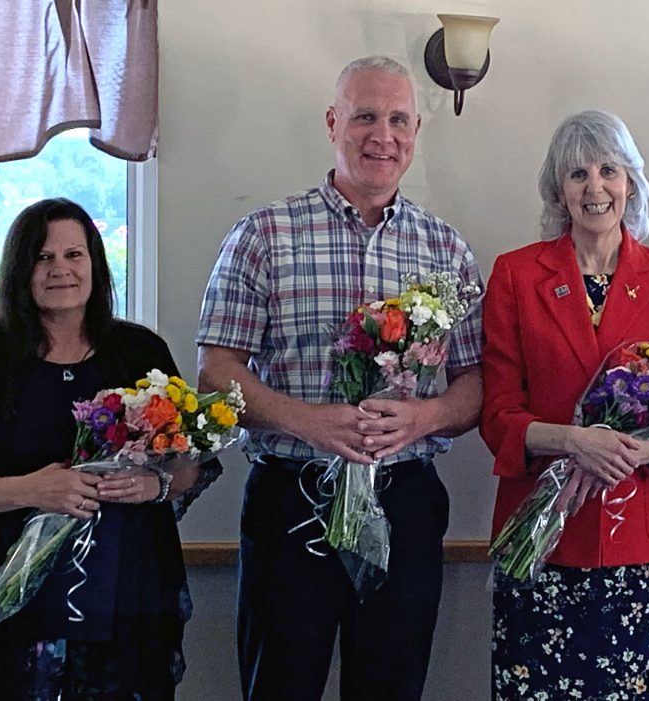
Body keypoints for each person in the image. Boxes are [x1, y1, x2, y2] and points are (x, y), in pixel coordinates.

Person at [195, 56, 483, 701]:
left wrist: (425, 417)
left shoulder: (447, 250)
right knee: (281, 685)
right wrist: (310, 421)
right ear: (333, 123)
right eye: (365, 117)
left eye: (399, 120)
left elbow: (474, 385)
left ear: (415, 134)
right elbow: (216, 372)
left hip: (405, 497)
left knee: (392, 685)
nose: (383, 135)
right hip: (291, 498)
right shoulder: (264, 234)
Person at [480, 110, 649, 700]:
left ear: (631, 182)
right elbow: (497, 411)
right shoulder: (515, 275)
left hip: (638, 536)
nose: (595, 187)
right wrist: (573, 440)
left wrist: (645, 446)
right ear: (558, 189)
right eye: (577, 174)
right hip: (538, 533)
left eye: (609, 170)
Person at [0, 198, 215, 700]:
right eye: (43, 258)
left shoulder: (140, 353)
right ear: (19, 270)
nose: (61, 270)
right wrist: (30, 489)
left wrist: (155, 483)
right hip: (12, 609)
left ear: (95, 265)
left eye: (74, 255)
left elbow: (191, 464)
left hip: (125, 599)